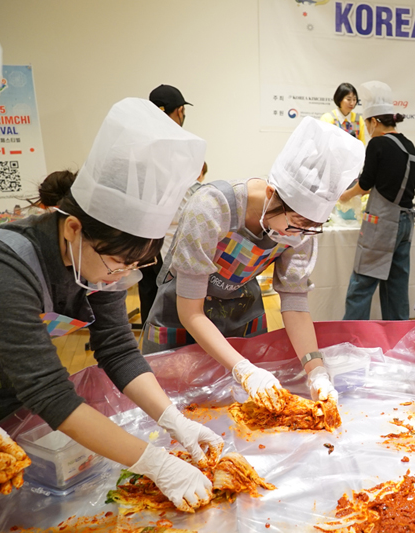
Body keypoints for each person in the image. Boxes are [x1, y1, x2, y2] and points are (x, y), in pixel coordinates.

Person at [0, 98, 224, 510]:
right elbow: (49, 391)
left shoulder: (97, 262)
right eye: (119, 262)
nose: (121, 276)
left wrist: (173, 420)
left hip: (14, 398)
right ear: (73, 228)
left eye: (136, 265)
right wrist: (155, 463)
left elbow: (118, 349)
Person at [143, 117, 364, 410]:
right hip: (181, 317)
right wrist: (243, 369)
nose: (298, 235)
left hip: (241, 314)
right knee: (179, 411)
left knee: (243, 414)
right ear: (272, 194)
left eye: (311, 227)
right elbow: (191, 312)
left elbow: (295, 302)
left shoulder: (303, 230)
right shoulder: (211, 208)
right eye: (296, 223)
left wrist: (316, 370)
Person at [340, 81, 415, 321]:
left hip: (382, 223)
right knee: (395, 287)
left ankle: (351, 339)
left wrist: (345, 195)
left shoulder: (378, 143)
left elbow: (365, 184)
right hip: (406, 223)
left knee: (362, 284)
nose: (367, 129)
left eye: (367, 124)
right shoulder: (409, 144)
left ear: (374, 121)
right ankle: (396, 341)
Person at [138, 84, 196, 322]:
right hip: (172, 237)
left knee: (149, 296)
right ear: (179, 110)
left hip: (140, 236)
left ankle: (147, 352)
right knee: (173, 304)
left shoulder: (138, 142)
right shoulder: (185, 144)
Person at [161, 161, 207, 260]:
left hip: (155, 240)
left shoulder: (166, 183)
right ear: (200, 174)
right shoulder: (201, 191)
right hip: (178, 245)